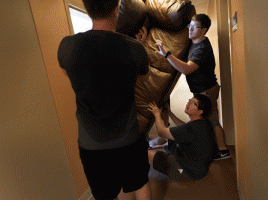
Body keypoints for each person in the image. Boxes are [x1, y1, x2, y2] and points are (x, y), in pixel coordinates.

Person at [57, 0, 151, 199]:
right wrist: (136, 49)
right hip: (129, 138)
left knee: (105, 195)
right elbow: (142, 74)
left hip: (92, 145)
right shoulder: (134, 48)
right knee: (139, 184)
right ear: (116, 10)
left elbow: (68, 73)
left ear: (87, 9)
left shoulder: (68, 46)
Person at [154, 14, 231, 160]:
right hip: (200, 90)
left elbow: (186, 69)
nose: (190, 29)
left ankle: (223, 151)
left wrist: (167, 54)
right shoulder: (194, 42)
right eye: (190, 26)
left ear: (203, 31)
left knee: (212, 120)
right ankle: (212, 147)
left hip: (207, 89)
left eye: (194, 27)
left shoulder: (203, 48)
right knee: (205, 121)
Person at [147, 94, 217, 181]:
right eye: (190, 100)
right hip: (197, 167)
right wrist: (170, 112)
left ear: (200, 112)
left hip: (187, 171)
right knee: (157, 138)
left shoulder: (192, 128)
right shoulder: (204, 123)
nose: (188, 103)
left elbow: (162, 132)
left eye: (193, 103)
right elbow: (183, 126)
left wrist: (157, 114)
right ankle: (153, 145)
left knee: (148, 155)